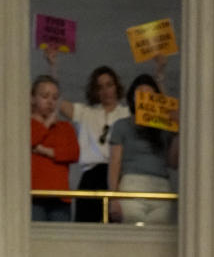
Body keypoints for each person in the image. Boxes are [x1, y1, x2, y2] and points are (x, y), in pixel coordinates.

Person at [53, 61, 129, 222]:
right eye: (100, 87)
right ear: (95, 91)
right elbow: (57, 102)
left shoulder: (127, 114)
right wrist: (54, 67)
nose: (106, 91)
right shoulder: (86, 113)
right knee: (86, 230)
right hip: (91, 176)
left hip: (119, 177)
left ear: (116, 86)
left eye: (109, 85)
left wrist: (160, 71)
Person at [108, 73, 179, 224]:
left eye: (150, 96)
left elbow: (173, 162)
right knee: (135, 232)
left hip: (161, 186)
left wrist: (177, 133)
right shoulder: (122, 125)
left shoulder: (164, 128)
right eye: (140, 95)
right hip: (132, 184)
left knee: (158, 238)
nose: (145, 99)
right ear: (132, 98)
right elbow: (115, 163)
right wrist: (113, 198)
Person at [30, 74, 79, 222]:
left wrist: (45, 151)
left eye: (55, 97)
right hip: (33, 195)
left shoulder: (65, 127)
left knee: (60, 240)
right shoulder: (25, 124)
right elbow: (28, 142)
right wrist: (46, 125)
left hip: (60, 196)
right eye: (45, 96)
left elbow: (74, 153)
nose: (50, 101)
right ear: (33, 98)